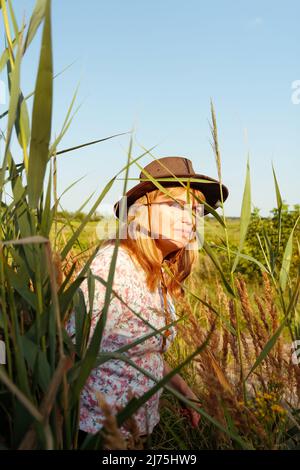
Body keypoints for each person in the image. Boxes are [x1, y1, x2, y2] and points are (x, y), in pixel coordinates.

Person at [65, 156, 229, 447]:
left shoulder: (156, 271)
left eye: (195, 210)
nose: (189, 219)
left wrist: (183, 389)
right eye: (174, 205)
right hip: (96, 434)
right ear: (141, 210)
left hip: (138, 432)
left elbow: (139, 352)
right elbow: (67, 353)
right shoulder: (111, 267)